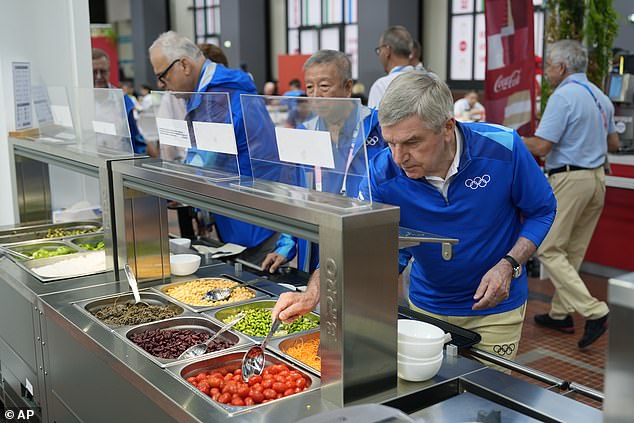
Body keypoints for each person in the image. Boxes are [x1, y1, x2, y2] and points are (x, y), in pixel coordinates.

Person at [272, 71, 557, 362]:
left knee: (488, 402)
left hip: (496, 310)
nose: (399, 157)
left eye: (411, 143)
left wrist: (509, 265)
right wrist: (313, 293)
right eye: (390, 143)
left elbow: (542, 210)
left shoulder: (503, 148)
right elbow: (352, 242)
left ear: (447, 127)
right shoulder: (381, 173)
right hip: (426, 305)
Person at [148, 31, 278, 263]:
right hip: (242, 209)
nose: (162, 85)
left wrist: (169, 183)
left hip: (252, 216)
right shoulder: (211, 92)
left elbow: (204, 162)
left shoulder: (218, 96)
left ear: (184, 65)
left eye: (163, 76)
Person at [522, 40, 619, 348]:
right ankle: (561, 314)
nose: (546, 72)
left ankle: (596, 311)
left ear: (561, 67)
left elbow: (541, 146)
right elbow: (614, 143)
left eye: (548, 66)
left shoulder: (564, 96)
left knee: (548, 247)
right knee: (572, 251)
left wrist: (507, 136)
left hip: (570, 179)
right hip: (597, 180)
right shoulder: (601, 97)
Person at [261, 50, 386, 274]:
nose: (316, 95)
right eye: (310, 87)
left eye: (325, 86)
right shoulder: (305, 132)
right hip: (317, 239)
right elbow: (296, 194)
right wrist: (286, 245)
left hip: (365, 239)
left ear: (348, 88)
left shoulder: (378, 128)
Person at [92, 48, 146, 154]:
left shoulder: (122, 101)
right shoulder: (82, 101)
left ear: (109, 71)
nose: (99, 76)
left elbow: (135, 139)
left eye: (102, 71)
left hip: (119, 162)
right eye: (94, 72)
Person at [368, 26, 415, 108]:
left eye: (380, 50)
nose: (379, 55)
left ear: (387, 50)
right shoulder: (429, 80)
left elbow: (374, 120)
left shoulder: (381, 86)